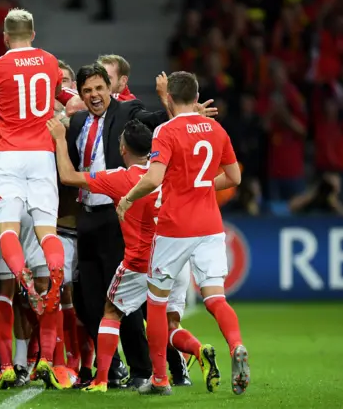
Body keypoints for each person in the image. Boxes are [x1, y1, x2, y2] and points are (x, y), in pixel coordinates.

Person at [49, 117, 219, 393]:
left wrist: (58, 138)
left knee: (111, 312)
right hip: (176, 262)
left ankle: (102, 379)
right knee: (168, 323)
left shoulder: (121, 178)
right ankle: (199, 350)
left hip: (140, 264)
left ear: (124, 149)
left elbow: (69, 177)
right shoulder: (172, 173)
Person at [116, 71, 249, 396]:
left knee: (157, 303)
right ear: (196, 94)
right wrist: (201, 188)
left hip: (175, 228)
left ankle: (160, 379)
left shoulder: (165, 130)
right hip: (210, 227)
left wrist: (128, 197)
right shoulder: (216, 129)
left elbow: (153, 178)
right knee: (216, 297)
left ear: (171, 98)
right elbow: (234, 177)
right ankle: (236, 346)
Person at [0, 8, 65, 388]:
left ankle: (20, 275)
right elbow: (56, 96)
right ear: (33, 33)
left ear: (5, 36)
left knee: (7, 226)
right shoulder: (50, 61)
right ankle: (51, 276)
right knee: (46, 229)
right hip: (42, 154)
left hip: (8, 154)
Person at [65, 63, 170, 388]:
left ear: (110, 88)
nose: (94, 96)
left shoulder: (128, 111)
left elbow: (160, 124)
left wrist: (176, 108)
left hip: (117, 216)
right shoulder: (78, 121)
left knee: (124, 301)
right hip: (87, 216)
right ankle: (110, 370)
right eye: (87, 91)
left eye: (99, 88)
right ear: (80, 95)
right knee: (89, 300)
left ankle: (140, 370)